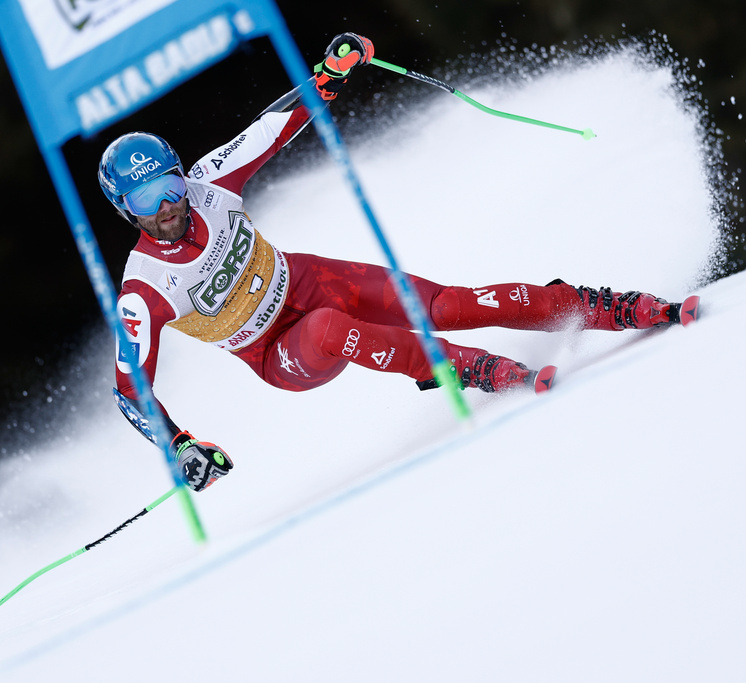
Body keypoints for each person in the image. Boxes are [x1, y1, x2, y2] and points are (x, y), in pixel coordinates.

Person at [100, 33, 686, 492]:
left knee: (448, 304)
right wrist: (179, 445)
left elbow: (273, 127)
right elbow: (131, 389)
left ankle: (605, 306)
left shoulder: (209, 183)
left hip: (308, 279)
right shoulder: (144, 288)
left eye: (170, 184)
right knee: (330, 329)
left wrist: (330, 74)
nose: (169, 205)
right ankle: (470, 368)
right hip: (279, 351)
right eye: (146, 201)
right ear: (126, 211)